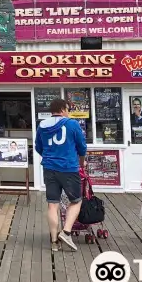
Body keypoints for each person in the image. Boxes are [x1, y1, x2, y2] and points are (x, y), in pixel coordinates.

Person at [35, 98, 87, 251]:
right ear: (64, 109)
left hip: (49, 168)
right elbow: (82, 147)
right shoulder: (72, 124)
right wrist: (81, 162)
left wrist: (49, 156)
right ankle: (66, 232)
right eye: (68, 109)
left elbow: (39, 147)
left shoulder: (42, 125)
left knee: (52, 204)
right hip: (69, 168)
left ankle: (53, 242)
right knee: (76, 201)